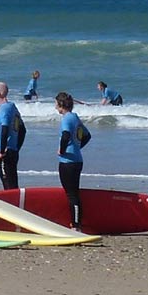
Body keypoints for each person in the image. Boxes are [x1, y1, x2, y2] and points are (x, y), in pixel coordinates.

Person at [54, 92, 91, 230]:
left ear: (61, 105)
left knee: (71, 194)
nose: (55, 106)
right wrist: (77, 148)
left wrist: (62, 150)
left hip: (67, 162)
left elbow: (65, 135)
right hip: (77, 159)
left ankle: (76, 225)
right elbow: (87, 136)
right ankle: (76, 223)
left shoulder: (66, 119)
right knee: (74, 193)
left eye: (56, 103)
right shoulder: (75, 117)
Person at [0, 81, 26, 189]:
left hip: (5, 153)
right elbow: (23, 130)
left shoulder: (4, 109)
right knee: (12, 183)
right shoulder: (13, 107)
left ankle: (11, 204)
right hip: (12, 151)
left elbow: (4, 129)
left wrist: (2, 151)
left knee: (8, 185)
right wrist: (16, 148)